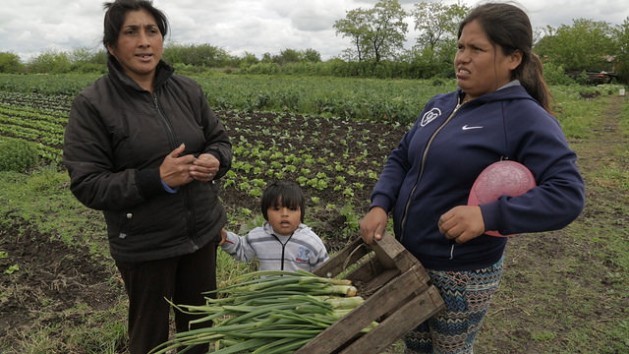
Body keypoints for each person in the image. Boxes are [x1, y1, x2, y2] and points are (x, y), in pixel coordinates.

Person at [359, 3, 585, 354]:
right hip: (409, 259)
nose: (462, 58)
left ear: (513, 58)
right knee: (416, 348)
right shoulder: (441, 104)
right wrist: (380, 204)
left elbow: (567, 195)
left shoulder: (526, 118)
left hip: (460, 274)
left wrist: (486, 216)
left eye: (476, 49)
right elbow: (402, 157)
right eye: (460, 46)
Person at [62, 0, 232, 353]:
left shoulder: (187, 90)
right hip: (145, 243)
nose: (144, 41)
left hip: (200, 232)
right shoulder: (93, 104)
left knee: (199, 328)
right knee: (149, 335)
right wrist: (158, 178)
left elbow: (219, 139)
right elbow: (88, 184)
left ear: (162, 40)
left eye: (152, 31)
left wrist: (214, 159)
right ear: (112, 46)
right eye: (131, 32)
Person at [220, 181, 329, 272]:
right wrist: (225, 238)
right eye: (276, 209)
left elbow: (325, 271)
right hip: (266, 296)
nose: (285, 214)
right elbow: (241, 248)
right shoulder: (257, 237)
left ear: (301, 212)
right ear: (265, 212)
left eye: (292, 209)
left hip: (300, 296)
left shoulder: (311, 242)